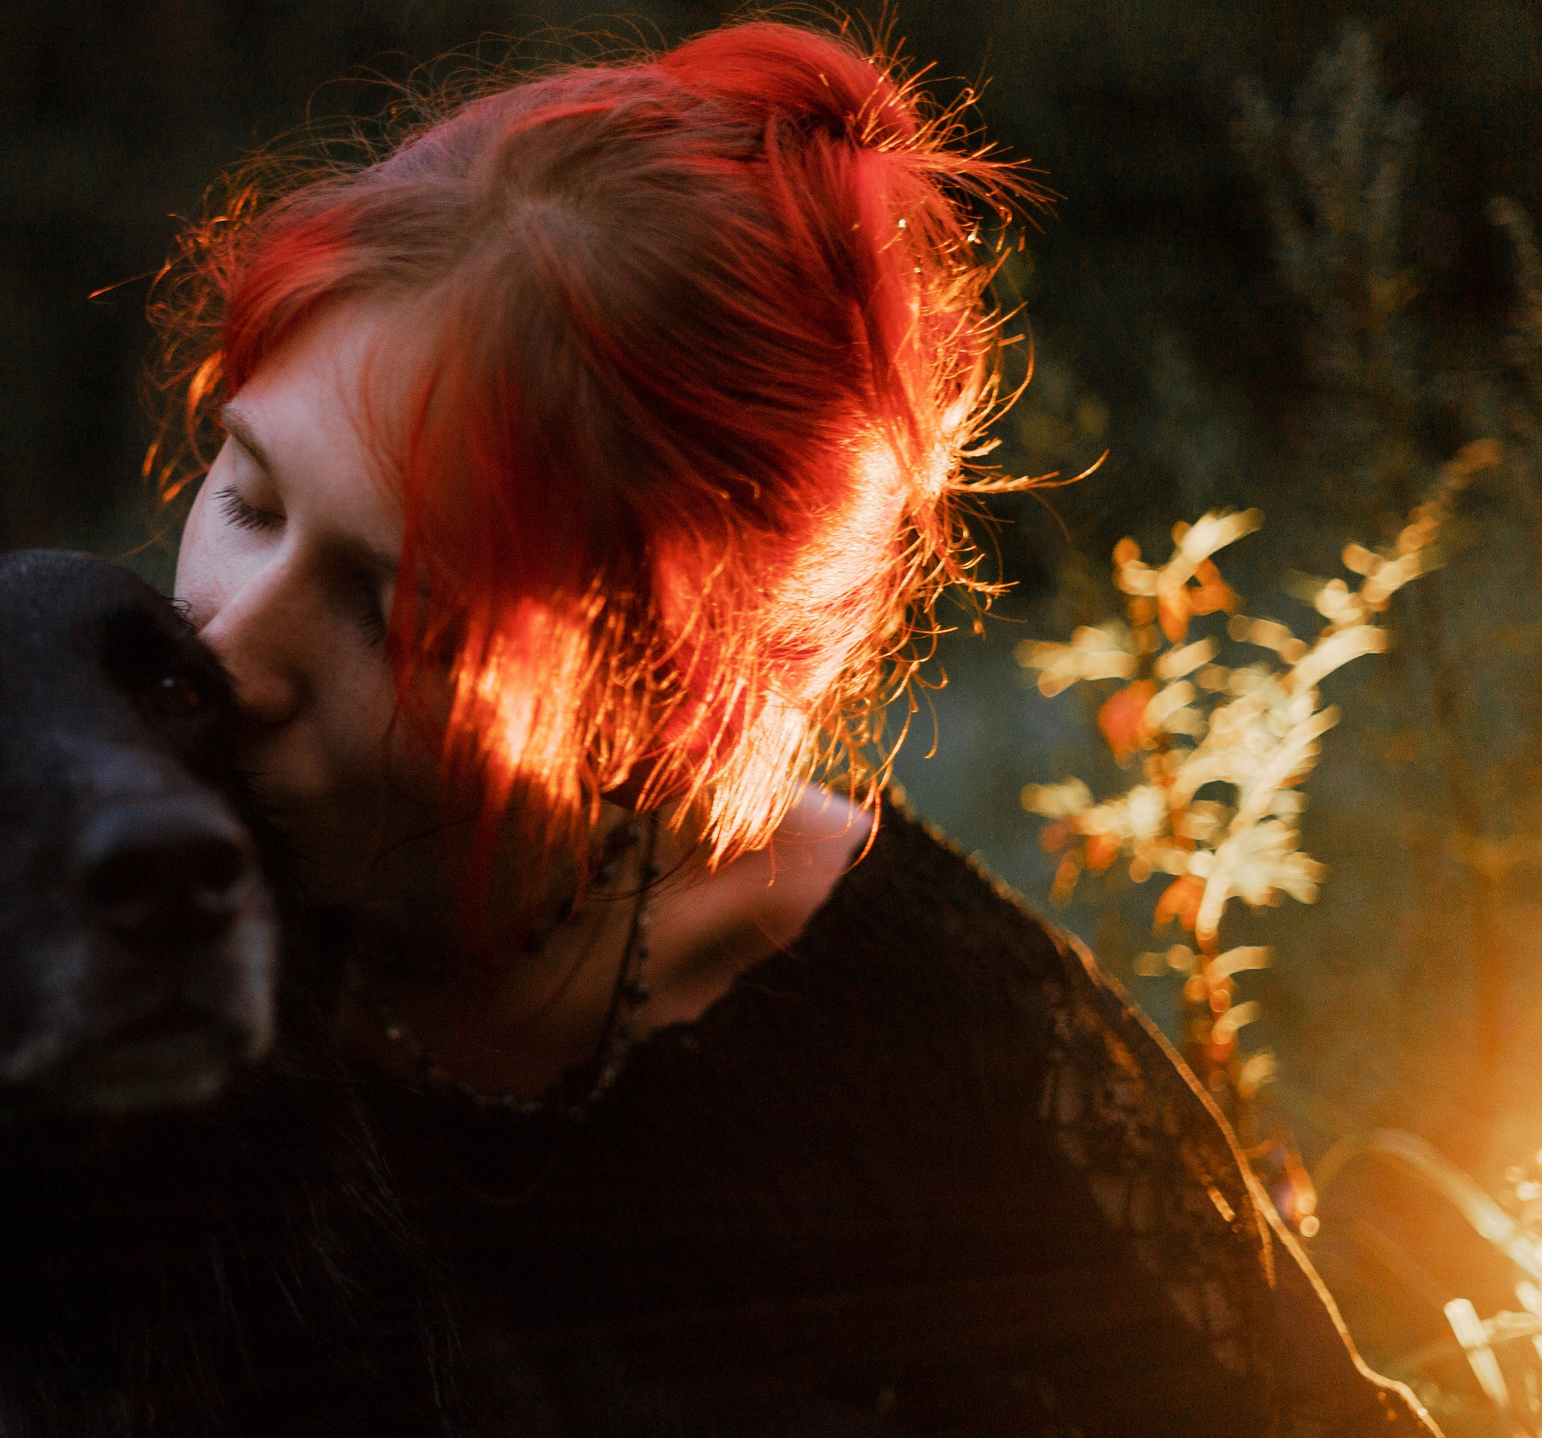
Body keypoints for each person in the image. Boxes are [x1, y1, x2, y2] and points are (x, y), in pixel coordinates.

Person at [159, 19, 1438, 1436]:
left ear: (655, 691)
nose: (227, 653)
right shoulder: (33, 882)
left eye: (397, 613)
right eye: (249, 499)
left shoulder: (912, 1038)